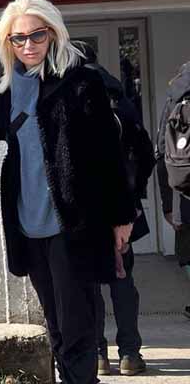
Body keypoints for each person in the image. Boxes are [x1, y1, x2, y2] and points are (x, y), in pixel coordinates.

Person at [0, 0, 136, 384]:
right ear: (7, 42)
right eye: (18, 38)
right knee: (55, 323)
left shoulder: (81, 82)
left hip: (73, 223)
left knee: (77, 323)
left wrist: (122, 216)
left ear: (53, 33)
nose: (28, 45)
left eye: (37, 35)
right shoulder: (8, 89)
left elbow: (109, 153)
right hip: (28, 223)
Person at [74, 41, 154, 377]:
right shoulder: (120, 97)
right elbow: (145, 152)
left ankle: (98, 355)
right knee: (123, 280)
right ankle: (130, 354)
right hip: (123, 206)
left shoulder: (72, 94)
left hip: (84, 208)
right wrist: (136, 192)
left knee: (89, 283)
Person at [156, 61, 190, 319]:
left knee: (187, 252)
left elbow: (161, 153)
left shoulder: (174, 98)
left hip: (183, 193)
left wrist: (167, 204)